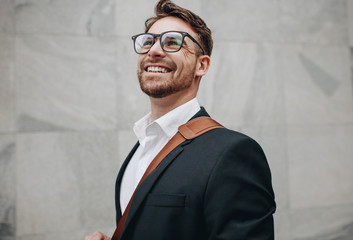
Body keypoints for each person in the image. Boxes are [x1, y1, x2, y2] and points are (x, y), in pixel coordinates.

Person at [85, 0, 276, 239]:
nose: (153, 51)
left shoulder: (234, 152)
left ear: (201, 65)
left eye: (173, 42)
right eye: (147, 42)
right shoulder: (140, 149)